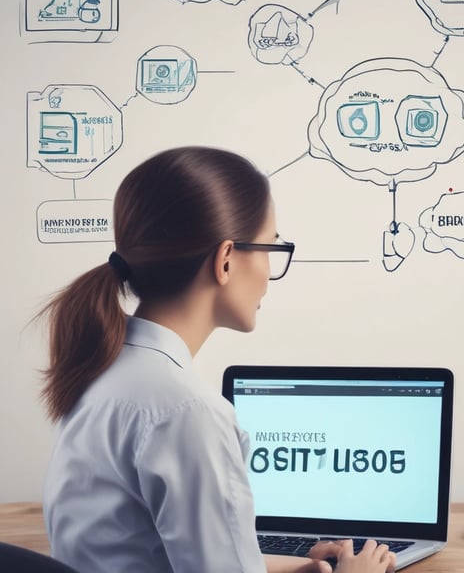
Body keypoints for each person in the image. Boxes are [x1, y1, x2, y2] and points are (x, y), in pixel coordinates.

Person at [38, 146, 396, 573]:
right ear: (226, 260)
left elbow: (152, 551)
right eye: (269, 248)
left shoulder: (101, 371)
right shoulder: (187, 413)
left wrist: (292, 565)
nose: (267, 270)